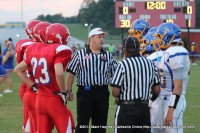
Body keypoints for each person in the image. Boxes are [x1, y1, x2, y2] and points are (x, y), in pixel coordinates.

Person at [14, 23, 75, 133]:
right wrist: (63, 92)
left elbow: (17, 69)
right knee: (67, 129)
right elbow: (59, 73)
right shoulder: (59, 50)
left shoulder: (34, 49)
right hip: (53, 98)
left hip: (40, 99)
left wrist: (33, 86)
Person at [66, 27, 118, 133]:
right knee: (82, 124)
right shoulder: (80, 54)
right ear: (91, 38)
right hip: (85, 92)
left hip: (102, 92)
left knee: (100, 125)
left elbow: (116, 75)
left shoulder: (108, 55)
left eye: (103, 37)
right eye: (99, 37)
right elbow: (71, 73)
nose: (102, 40)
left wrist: (119, 93)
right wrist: (68, 90)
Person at [110, 36, 160, 133]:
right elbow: (157, 90)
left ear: (125, 51)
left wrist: (119, 96)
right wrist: (150, 100)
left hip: (126, 108)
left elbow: (115, 92)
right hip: (144, 108)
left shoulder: (122, 64)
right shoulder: (150, 64)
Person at [150, 23, 190, 133]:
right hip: (161, 99)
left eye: (159, 36)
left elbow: (178, 87)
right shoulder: (165, 53)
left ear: (168, 37)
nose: (158, 40)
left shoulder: (176, 52)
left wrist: (171, 110)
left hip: (173, 100)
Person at [15, 19, 42, 133]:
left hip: (25, 84)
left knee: (28, 119)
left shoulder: (23, 44)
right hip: (32, 86)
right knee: (35, 122)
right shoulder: (35, 46)